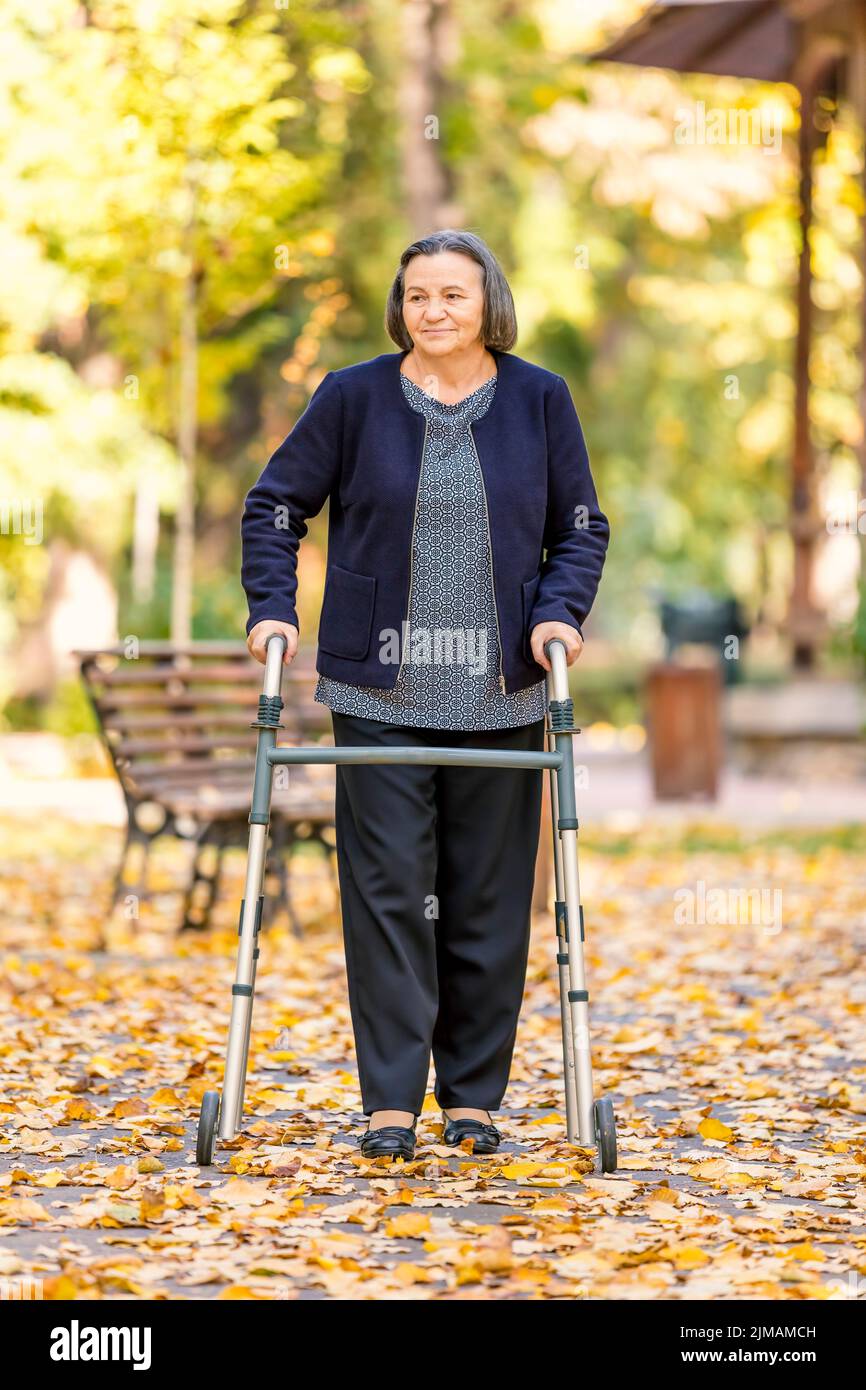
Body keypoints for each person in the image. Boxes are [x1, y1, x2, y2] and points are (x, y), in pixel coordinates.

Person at [241, 229, 609, 1160]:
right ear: (399, 307)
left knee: (485, 899)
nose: (434, 311)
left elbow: (581, 527)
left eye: (452, 294)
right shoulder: (354, 397)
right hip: (381, 689)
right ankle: (391, 1105)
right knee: (389, 894)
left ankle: (475, 1099)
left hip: (504, 693)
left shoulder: (539, 399)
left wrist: (559, 614)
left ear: (489, 302)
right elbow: (276, 505)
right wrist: (272, 609)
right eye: (417, 297)